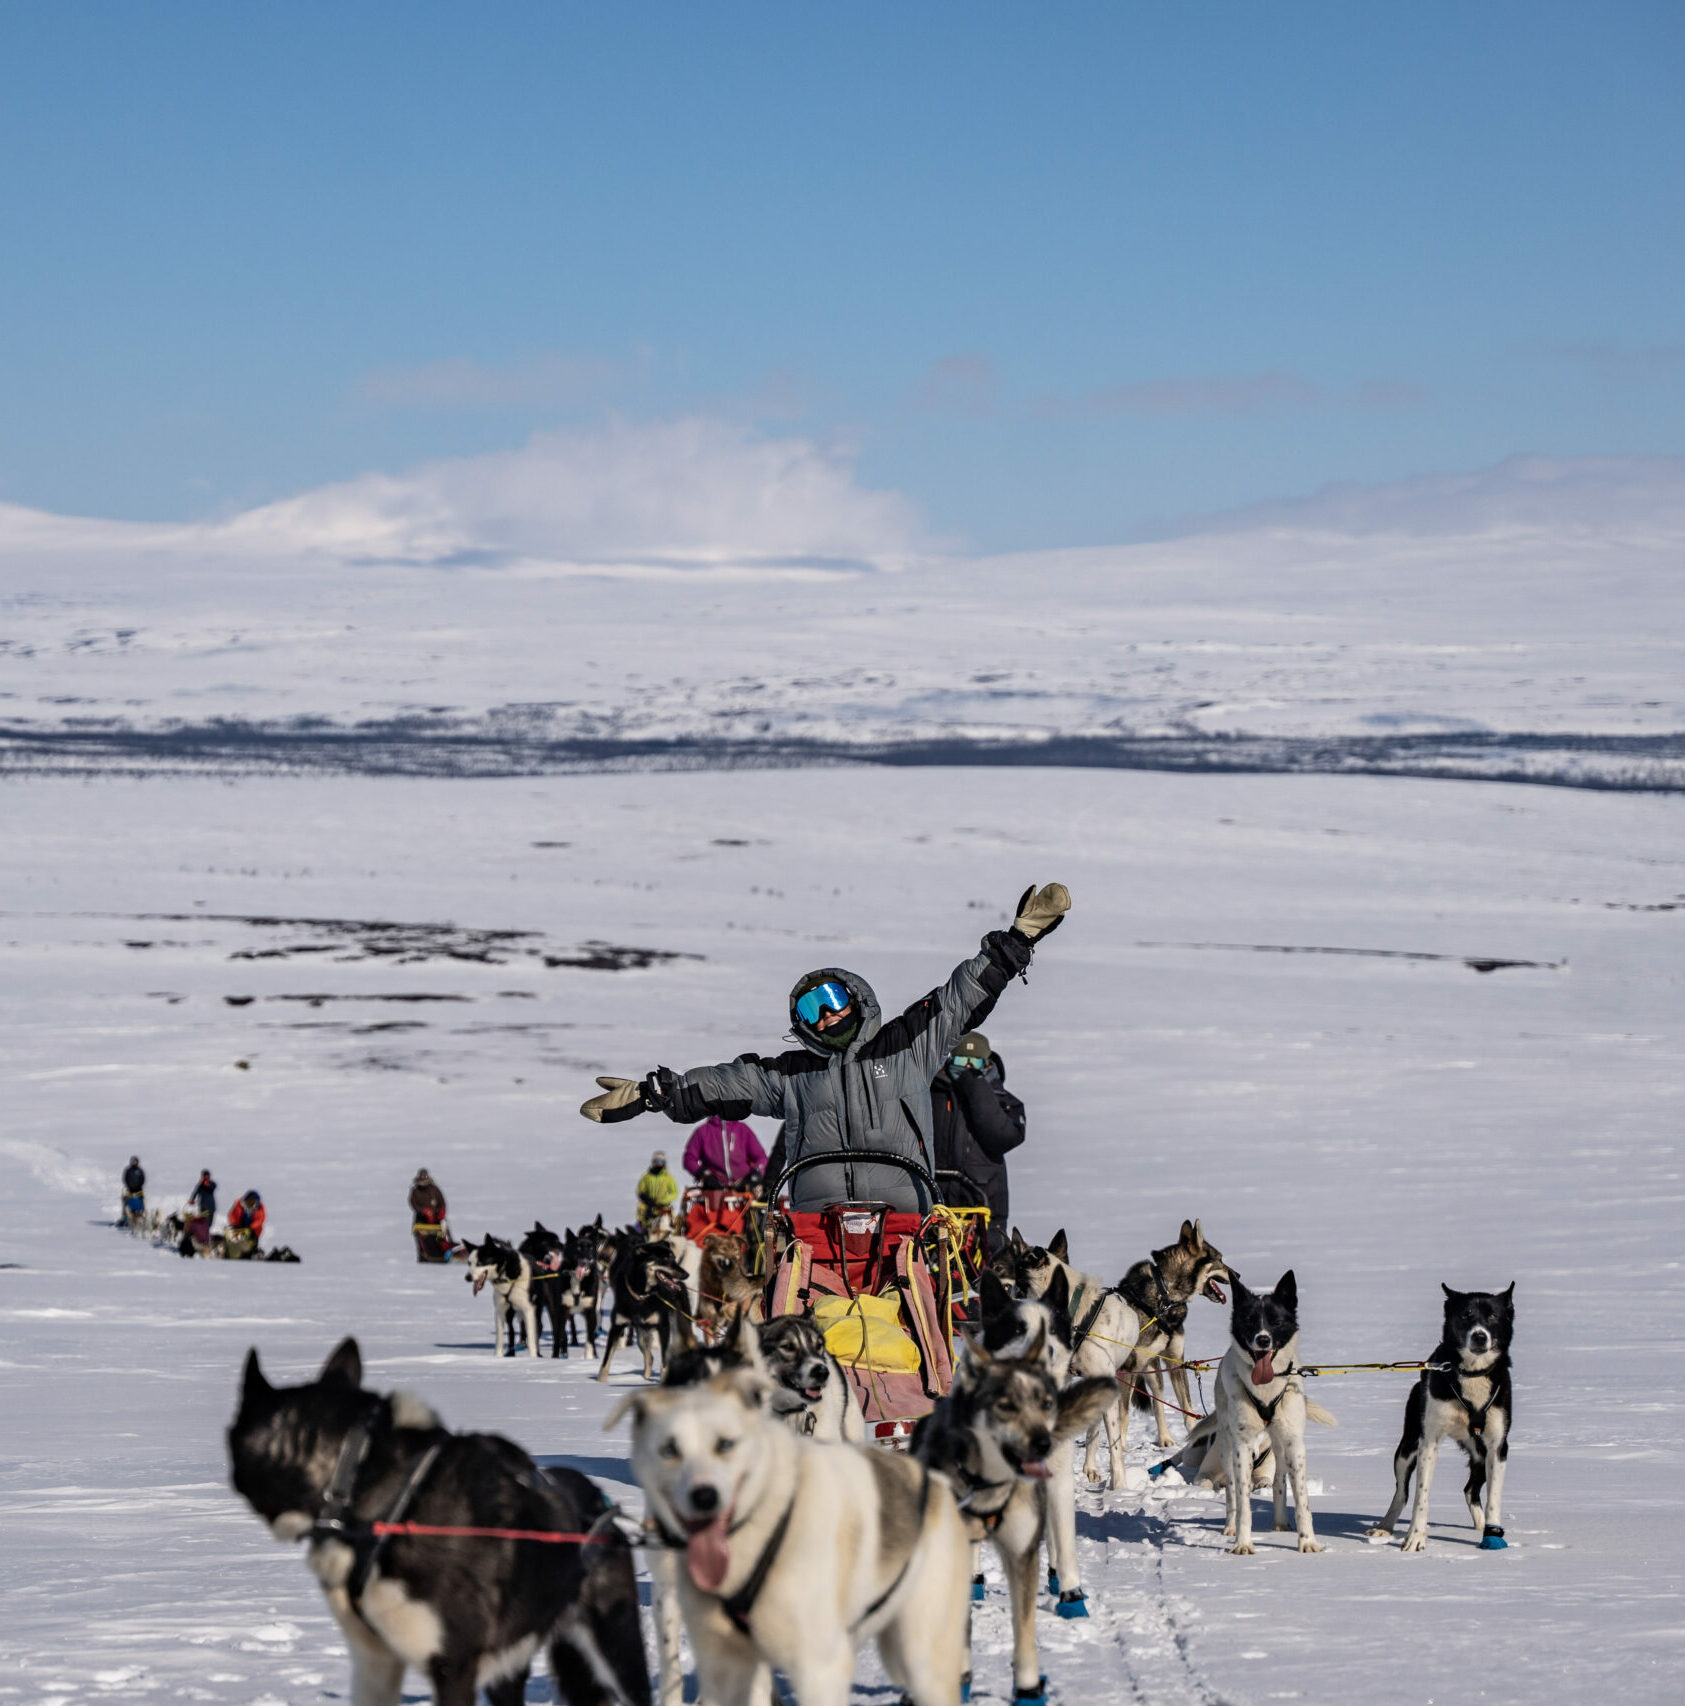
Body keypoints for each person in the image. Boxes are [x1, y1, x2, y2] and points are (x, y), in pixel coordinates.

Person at [581, 883, 1070, 1213]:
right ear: (800, 1022)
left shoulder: (906, 1046)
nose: (827, 1014)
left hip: (904, 1219)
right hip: (818, 1225)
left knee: (921, 1320)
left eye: (834, 999)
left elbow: (961, 995)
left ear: (857, 999)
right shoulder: (792, 1074)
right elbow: (725, 1083)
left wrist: (1017, 940)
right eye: (812, 1007)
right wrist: (654, 1093)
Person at [929, 1031, 1024, 1256]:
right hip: (938, 1195)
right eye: (962, 1061)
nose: (968, 1068)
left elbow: (1003, 1137)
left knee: (984, 1264)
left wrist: (977, 1088)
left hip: (985, 1198)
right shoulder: (931, 1092)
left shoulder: (1003, 1099)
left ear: (987, 1063)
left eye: (975, 1062)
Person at [682, 1114, 766, 1189]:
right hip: (715, 1190)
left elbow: (761, 1157)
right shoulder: (703, 1131)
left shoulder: (742, 1129)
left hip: (744, 1187)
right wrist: (705, 1175)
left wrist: (754, 1175)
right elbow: (689, 1159)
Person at [408, 1168, 451, 1263]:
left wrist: (441, 1211)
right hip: (421, 1221)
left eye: (425, 1176)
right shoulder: (415, 1191)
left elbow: (442, 1202)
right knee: (423, 1241)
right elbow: (413, 1204)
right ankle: (424, 1257)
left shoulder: (434, 1189)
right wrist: (424, 1211)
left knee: (442, 1236)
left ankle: (445, 1253)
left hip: (437, 1220)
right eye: (422, 1177)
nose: (423, 1178)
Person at [635, 1150, 680, 1230]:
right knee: (643, 1227)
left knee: (668, 1227)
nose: (658, 1164)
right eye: (656, 1161)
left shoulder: (668, 1178)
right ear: (652, 1162)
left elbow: (675, 1192)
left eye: (661, 1161)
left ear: (664, 1163)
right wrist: (646, 1199)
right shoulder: (646, 1177)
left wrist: (663, 1201)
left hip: (663, 1209)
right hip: (648, 1208)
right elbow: (639, 1190)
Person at [225, 1189, 266, 1257]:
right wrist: (238, 1226)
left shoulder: (259, 1208)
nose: (251, 1202)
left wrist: (251, 1227)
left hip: (253, 1232)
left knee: (250, 1246)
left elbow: (260, 1219)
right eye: (250, 1200)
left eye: (253, 1201)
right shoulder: (239, 1205)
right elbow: (232, 1217)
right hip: (239, 1230)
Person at [184, 1169, 216, 1252]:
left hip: (211, 1208)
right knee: (203, 1226)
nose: (205, 1178)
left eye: (207, 1176)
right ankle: (202, 1242)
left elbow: (212, 1188)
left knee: (209, 1225)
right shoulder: (200, 1185)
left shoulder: (212, 1184)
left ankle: (207, 1242)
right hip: (203, 1209)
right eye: (204, 1176)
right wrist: (192, 1199)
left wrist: (207, 1184)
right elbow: (195, 1192)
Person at [120, 1156, 146, 1227]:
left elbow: (142, 1179)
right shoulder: (128, 1170)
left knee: (141, 1204)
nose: (134, 1162)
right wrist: (129, 1186)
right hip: (129, 1190)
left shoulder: (140, 1171)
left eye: (135, 1161)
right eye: (133, 1161)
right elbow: (125, 1179)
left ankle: (141, 1217)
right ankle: (126, 1218)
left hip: (138, 1190)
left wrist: (139, 1186)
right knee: (127, 1204)